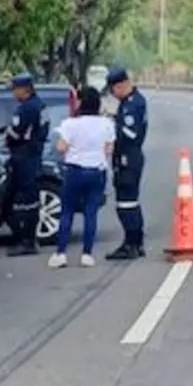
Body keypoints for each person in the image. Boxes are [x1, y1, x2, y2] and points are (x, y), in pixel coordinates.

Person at [47, 87, 114, 269]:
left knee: (67, 211)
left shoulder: (70, 124)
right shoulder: (106, 124)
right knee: (90, 212)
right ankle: (87, 254)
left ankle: (61, 253)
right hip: (96, 171)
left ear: (81, 102)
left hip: (74, 171)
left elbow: (61, 147)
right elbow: (109, 149)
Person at [104, 67, 148, 260]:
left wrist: (112, 125)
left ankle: (132, 243)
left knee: (126, 203)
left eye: (113, 90)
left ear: (120, 86)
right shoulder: (130, 102)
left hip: (128, 158)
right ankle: (134, 242)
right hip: (128, 157)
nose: (112, 95)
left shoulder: (132, 105)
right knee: (129, 202)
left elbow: (131, 134)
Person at [2, 73, 48, 257]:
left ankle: (27, 241)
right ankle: (27, 239)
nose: (13, 93)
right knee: (28, 199)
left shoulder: (26, 108)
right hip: (33, 155)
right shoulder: (39, 105)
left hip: (25, 156)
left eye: (15, 89)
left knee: (26, 200)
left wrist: (7, 136)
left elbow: (16, 133)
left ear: (25, 89)